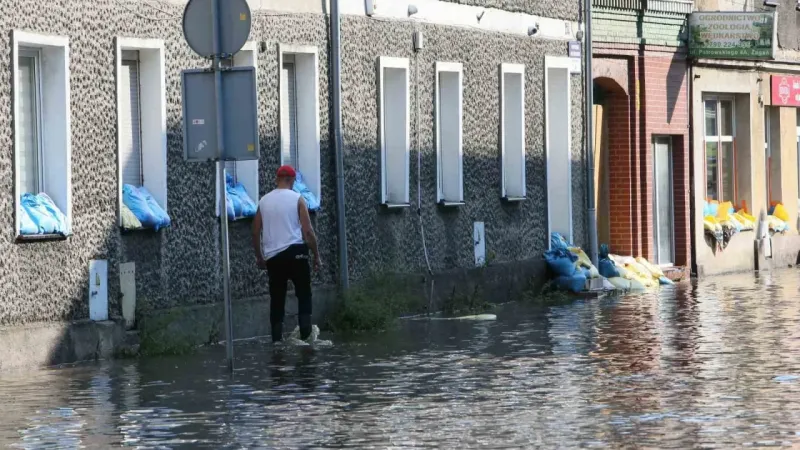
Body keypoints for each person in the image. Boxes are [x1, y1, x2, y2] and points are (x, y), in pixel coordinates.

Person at [251, 165, 321, 343]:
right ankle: (306, 339)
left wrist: (260, 256)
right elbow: (308, 232)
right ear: (291, 180)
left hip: (274, 257)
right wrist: (316, 255)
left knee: (277, 298)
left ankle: (276, 342)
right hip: (296, 252)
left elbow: (255, 230)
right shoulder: (298, 198)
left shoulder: (263, 201)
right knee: (304, 294)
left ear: (277, 179)